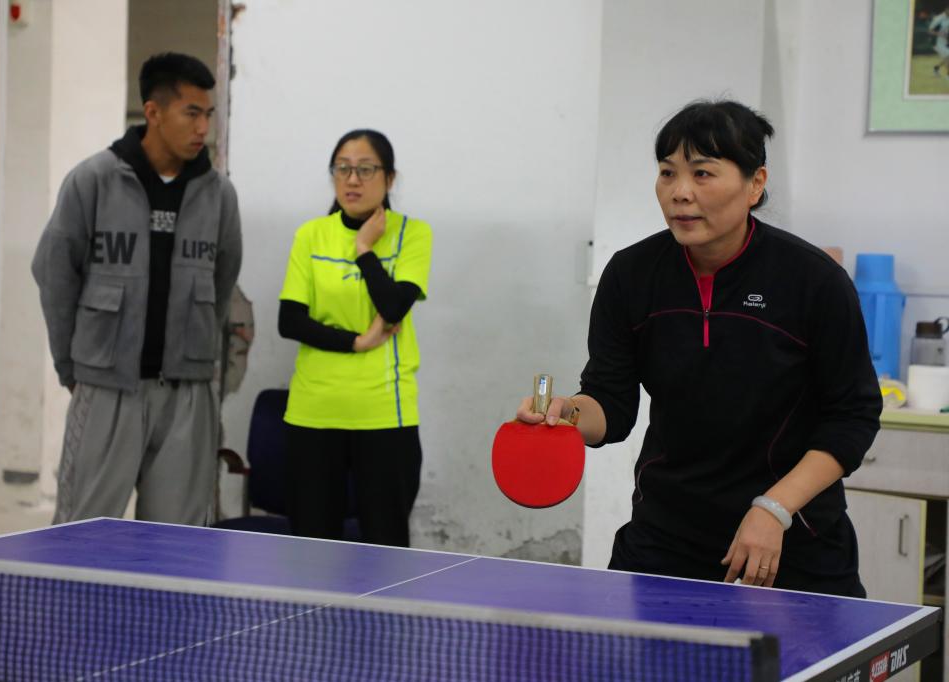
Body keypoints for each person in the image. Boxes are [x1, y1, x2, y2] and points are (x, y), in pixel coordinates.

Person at [517, 100, 881, 597]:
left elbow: (853, 415)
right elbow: (611, 404)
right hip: (666, 537)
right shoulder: (630, 275)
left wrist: (774, 508)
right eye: (667, 173)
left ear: (755, 184)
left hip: (793, 538)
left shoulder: (813, 281)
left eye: (702, 173)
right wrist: (568, 414)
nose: (680, 192)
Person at [32, 53, 242, 525]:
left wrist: (199, 359)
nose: (203, 128)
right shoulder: (93, 181)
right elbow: (54, 274)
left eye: (208, 115)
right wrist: (72, 367)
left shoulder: (218, 195)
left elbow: (223, 281)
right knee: (83, 533)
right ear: (153, 112)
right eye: (192, 113)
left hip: (186, 395)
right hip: (107, 387)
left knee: (175, 541)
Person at [278, 129, 432, 547]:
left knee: (385, 549)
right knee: (311, 550)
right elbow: (290, 321)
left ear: (390, 178)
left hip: (384, 414)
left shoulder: (412, 234)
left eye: (365, 170)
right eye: (342, 169)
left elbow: (394, 307)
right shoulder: (311, 235)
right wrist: (356, 342)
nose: (351, 180)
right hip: (313, 412)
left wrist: (364, 250)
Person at [930, 4, 949, 80]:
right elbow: (930, 30)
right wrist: (941, 34)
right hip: (937, 42)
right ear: (946, 9)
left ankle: (936, 68)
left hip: (946, 41)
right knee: (948, 56)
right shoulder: (939, 19)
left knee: (946, 57)